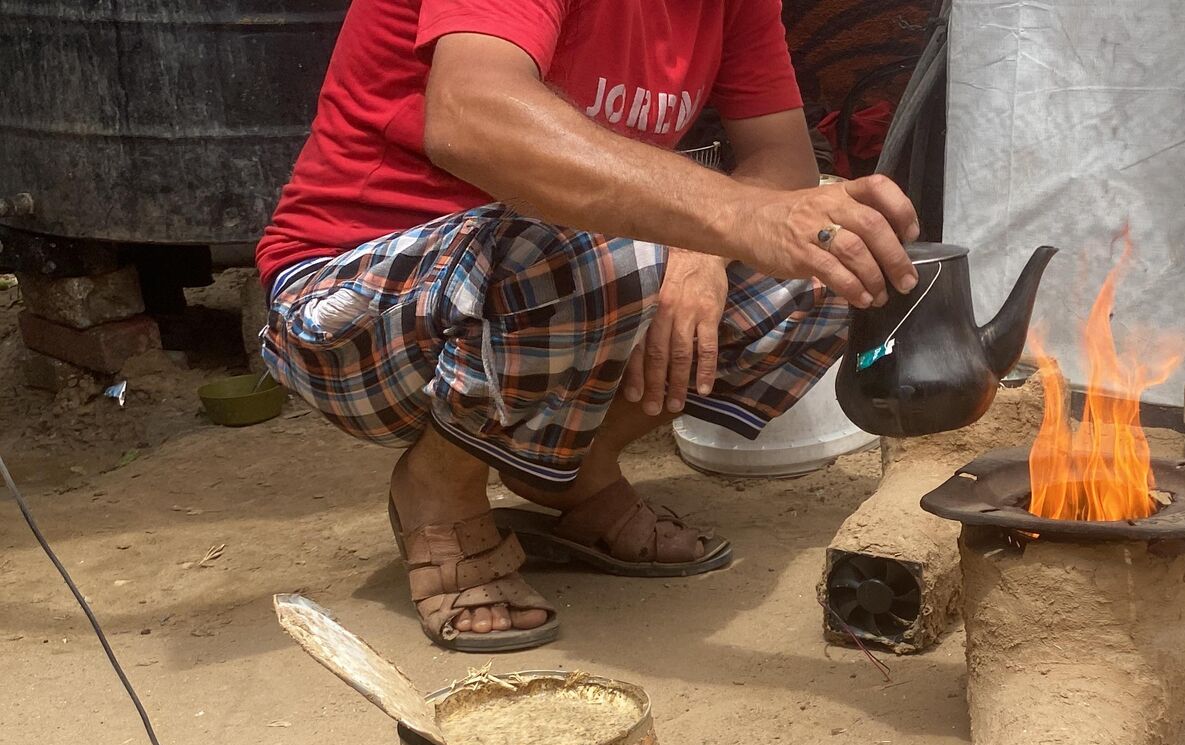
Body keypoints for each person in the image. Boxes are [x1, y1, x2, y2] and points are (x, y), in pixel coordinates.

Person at [256, 0, 919, 652]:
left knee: (834, 257)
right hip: (349, 307)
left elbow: (785, 164)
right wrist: (731, 218)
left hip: (545, 280)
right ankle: (438, 488)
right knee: (613, 253)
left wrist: (703, 250)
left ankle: (570, 470)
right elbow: (469, 114)